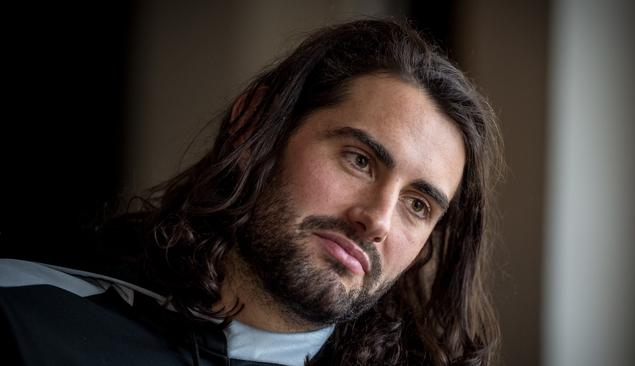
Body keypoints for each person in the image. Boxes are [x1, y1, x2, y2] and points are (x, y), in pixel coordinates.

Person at [0, 19, 503, 365]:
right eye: (360, 160)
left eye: (418, 205)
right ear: (254, 122)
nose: (377, 219)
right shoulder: (26, 314)